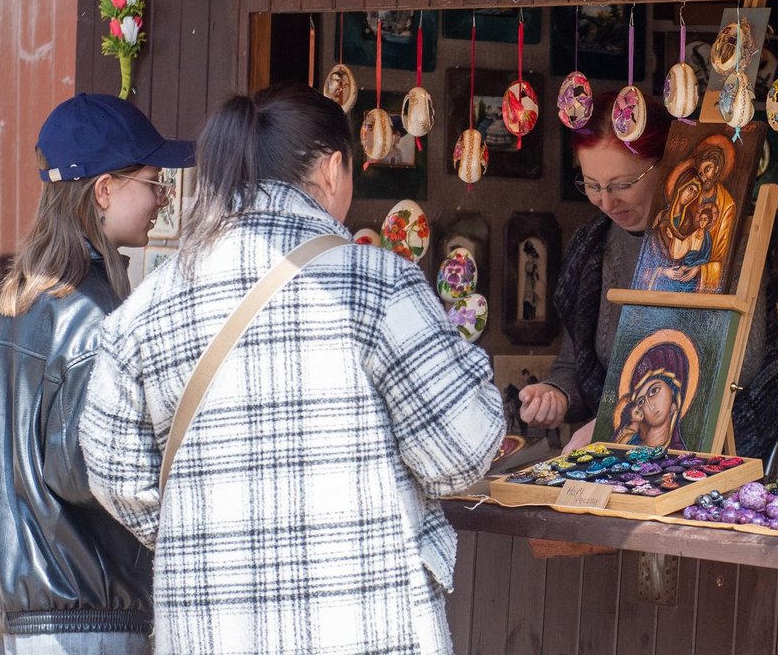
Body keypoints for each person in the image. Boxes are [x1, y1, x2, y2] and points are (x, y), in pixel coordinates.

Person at [79, 81, 505, 655]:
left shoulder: (145, 310)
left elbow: (116, 477)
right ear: (332, 170)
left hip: (209, 632)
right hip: (363, 625)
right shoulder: (378, 286)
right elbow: (463, 453)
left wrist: (211, 543)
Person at [0, 93, 195, 653]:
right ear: (104, 189)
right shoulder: (91, 316)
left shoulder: (16, 305)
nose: (164, 199)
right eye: (153, 180)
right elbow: (90, 470)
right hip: (79, 613)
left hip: (6, 607)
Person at [519, 92, 778, 474]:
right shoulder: (593, 247)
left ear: (667, 165)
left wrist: (612, 429)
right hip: (633, 461)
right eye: (592, 185)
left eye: (622, 183)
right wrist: (556, 393)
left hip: (746, 457)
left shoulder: (728, 238)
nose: (606, 202)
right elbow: (575, 360)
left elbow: (738, 368)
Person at [610, 342, 688, 449]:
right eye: (641, 401)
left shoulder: (680, 454)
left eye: (654, 391)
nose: (649, 405)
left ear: (673, 394)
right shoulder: (629, 445)